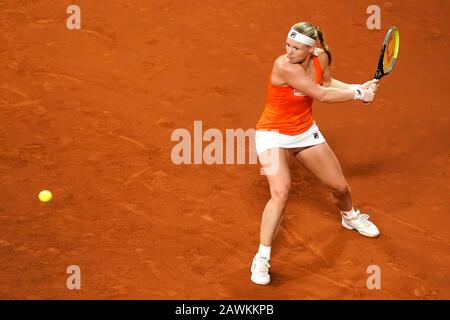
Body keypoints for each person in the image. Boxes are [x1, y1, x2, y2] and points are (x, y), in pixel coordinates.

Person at [251, 22, 380, 286]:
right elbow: (321, 94)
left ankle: (350, 217)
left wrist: (358, 86)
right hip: (272, 133)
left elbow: (329, 82)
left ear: (311, 49)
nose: (288, 51)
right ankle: (262, 257)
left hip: (303, 132)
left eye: (296, 48)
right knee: (281, 191)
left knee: (339, 186)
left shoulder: (321, 58)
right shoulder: (283, 66)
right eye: (287, 44)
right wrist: (359, 94)